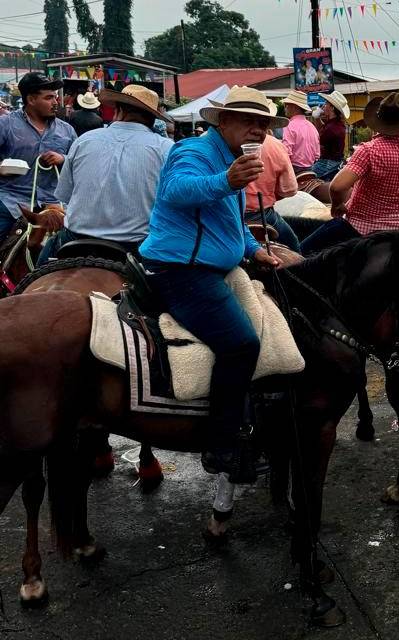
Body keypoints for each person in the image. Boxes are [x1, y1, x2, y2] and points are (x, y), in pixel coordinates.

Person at [138, 86, 285, 482]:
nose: (258, 130)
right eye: (248, 120)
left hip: (210, 265)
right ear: (222, 121)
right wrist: (226, 180)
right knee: (241, 344)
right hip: (180, 269)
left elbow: (229, 221)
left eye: (265, 124)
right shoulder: (193, 152)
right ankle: (222, 445)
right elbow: (175, 191)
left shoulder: (233, 157)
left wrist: (254, 250)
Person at [38, 85, 174, 265]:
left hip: (76, 238)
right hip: (135, 246)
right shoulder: (166, 148)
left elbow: (66, 195)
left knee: (35, 273)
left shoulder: (84, 140)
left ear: (118, 110)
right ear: (152, 117)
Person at [300, 92, 399, 254]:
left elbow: (337, 187)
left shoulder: (369, 150)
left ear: (378, 122)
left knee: (302, 252)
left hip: (361, 229)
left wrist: (338, 205)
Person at [0, 72, 76, 238]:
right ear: (31, 100)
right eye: (49, 98)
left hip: (56, 204)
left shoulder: (67, 130)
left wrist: (63, 159)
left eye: (55, 97)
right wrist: (2, 169)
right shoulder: (6, 125)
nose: (56, 102)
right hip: (13, 201)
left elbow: (79, 165)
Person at [243, 133, 300, 251]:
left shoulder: (208, 141)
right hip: (260, 213)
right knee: (293, 244)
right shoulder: (275, 144)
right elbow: (289, 189)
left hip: (220, 214)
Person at [310, 90, 350, 180]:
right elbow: (322, 129)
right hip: (335, 162)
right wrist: (317, 118)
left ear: (332, 107)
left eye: (326, 103)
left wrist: (316, 118)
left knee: (307, 177)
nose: (324, 105)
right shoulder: (336, 124)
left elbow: (319, 138)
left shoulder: (332, 128)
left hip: (327, 162)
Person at [280, 90, 320, 173]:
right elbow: (317, 154)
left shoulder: (289, 125)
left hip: (295, 168)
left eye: (286, 105)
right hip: (311, 168)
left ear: (294, 107)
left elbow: (286, 152)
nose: (285, 108)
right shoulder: (312, 126)